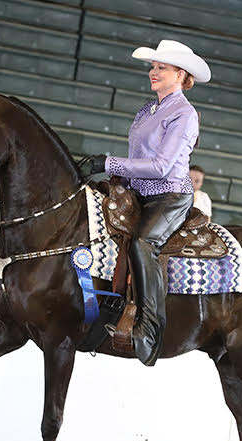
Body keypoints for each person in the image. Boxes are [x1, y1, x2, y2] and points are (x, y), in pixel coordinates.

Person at [86, 39, 211, 366]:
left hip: (169, 195)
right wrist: (112, 180)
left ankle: (150, 325)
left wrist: (108, 163)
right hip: (140, 191)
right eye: (153, 67)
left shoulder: (184, 114)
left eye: (161, 67)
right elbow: (138, 158)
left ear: (180, 74)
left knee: (143, 244)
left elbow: (161, 166)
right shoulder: (148, 109)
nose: (153, 72)